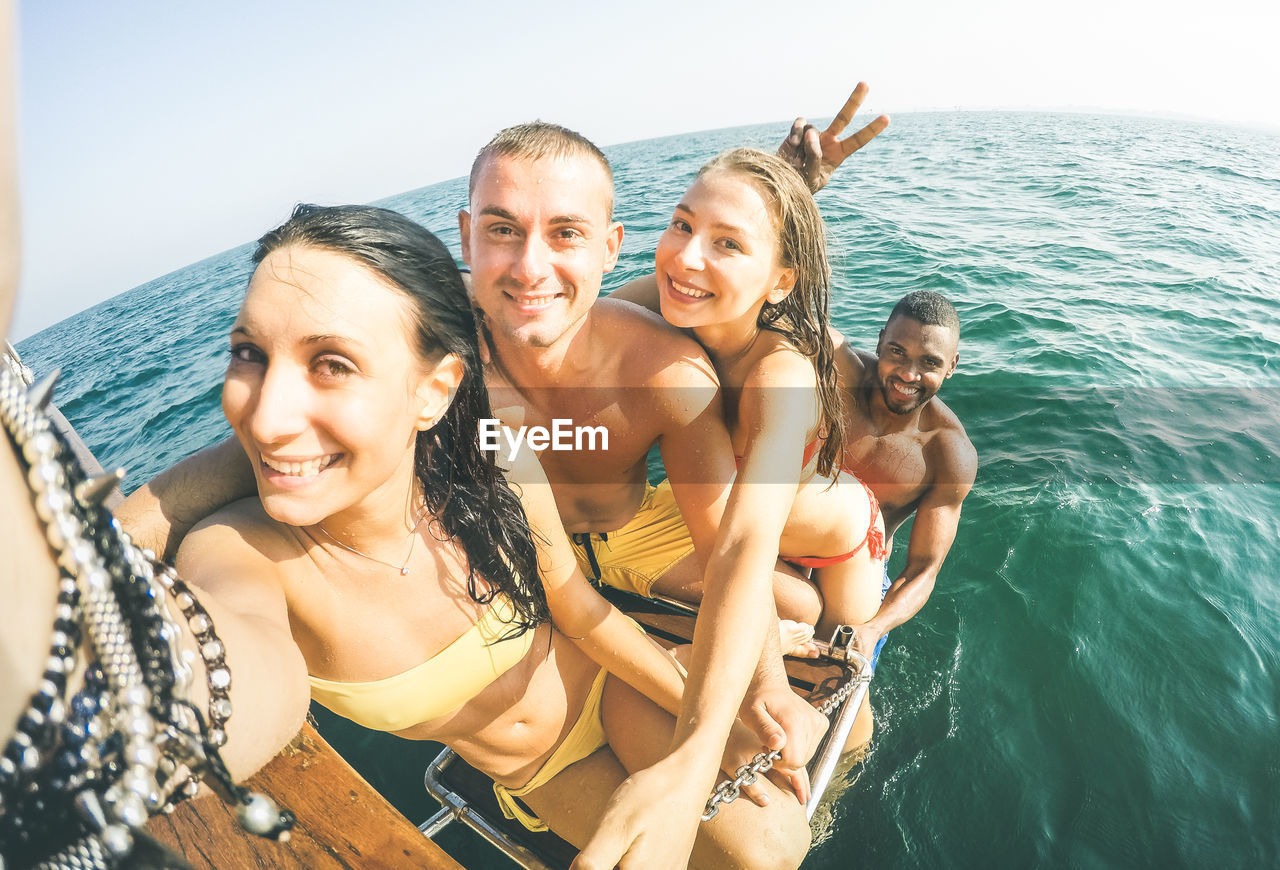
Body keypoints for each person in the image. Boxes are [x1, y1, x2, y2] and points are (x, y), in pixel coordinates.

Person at [177, 203, 811, 868]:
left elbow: (584, 616)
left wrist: (708, 729)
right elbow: (230, 680)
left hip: (608, 687)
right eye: (248, 354)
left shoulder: (494, 461)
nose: (267, 417)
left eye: (332, 363)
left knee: (777, 839)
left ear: (434, 390)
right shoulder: (236, 553)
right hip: (537, 774)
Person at [609, 147, 890, 753]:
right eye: (682, 224)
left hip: (843, 544)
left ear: (781, 279)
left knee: (846, 702)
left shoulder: (779, 378)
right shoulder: (672, 301)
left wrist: (765, 685)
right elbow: (569, 319)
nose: (685, 256)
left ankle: (835, 805)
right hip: (767, 529)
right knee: (783, 609)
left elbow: (739, 544)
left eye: (727, 244)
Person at [830, 291, 977, 664]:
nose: (909, 375)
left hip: (860, 576)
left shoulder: (947, 453)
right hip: (787, 543)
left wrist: (872, 629)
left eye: (929, 362)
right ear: (880, 341)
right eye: (897, 352)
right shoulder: (836, 377)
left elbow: (923, 569)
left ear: (952, 365)